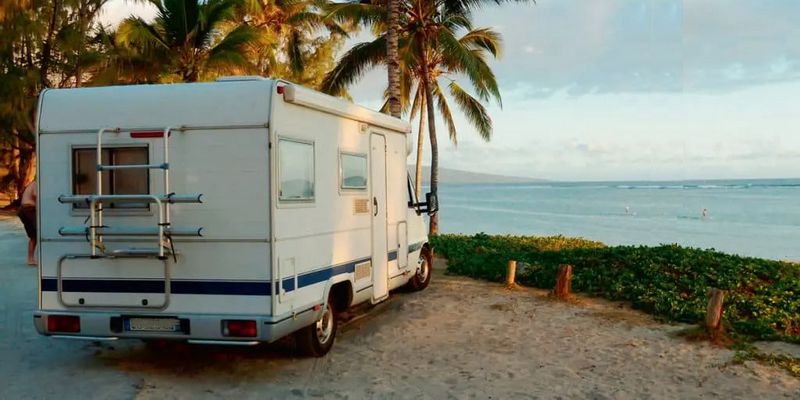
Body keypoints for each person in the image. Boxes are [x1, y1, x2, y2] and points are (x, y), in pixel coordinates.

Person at [17, 180, 37, 266]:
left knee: (34, 235)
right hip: (28, 209)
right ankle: (30, 259)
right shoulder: (36, 184)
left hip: (24, 210)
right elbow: (36, 195)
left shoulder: (31, 184)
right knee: (35, 235)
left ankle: (30, 258)